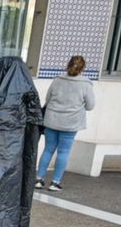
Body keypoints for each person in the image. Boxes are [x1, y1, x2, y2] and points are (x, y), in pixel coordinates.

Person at [35, 55, 95, 192]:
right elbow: (90, 106)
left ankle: (39, 179)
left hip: (51, 120)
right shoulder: (85, 84)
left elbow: (48, 99)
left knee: (48, 149)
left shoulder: (57, 80)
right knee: (63, 151)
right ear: (83, 68)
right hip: (70, 123)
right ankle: (55, 182)